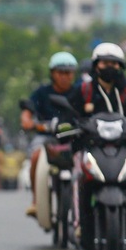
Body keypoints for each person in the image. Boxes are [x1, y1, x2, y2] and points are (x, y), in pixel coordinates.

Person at [67, 42, 126, 236]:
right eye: (105, 63)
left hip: (122, 149)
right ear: (96, 66)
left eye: (114, 64)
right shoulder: (83, 91)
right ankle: (80, 223)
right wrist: (67, 127)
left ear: (120, 67)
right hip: (89, 148)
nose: (109, 68)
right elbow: (68, 116)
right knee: (78, 176)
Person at [21, 51, 78, 216]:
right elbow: (28, 110)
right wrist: (27, 120)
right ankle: (35, 201)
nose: (64, 77)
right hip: (46, 137)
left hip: (73, 138)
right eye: (60, 72)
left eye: (68, 73)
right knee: (35, 157)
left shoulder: (80, 93)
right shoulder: (42, 92)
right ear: (52, 73)